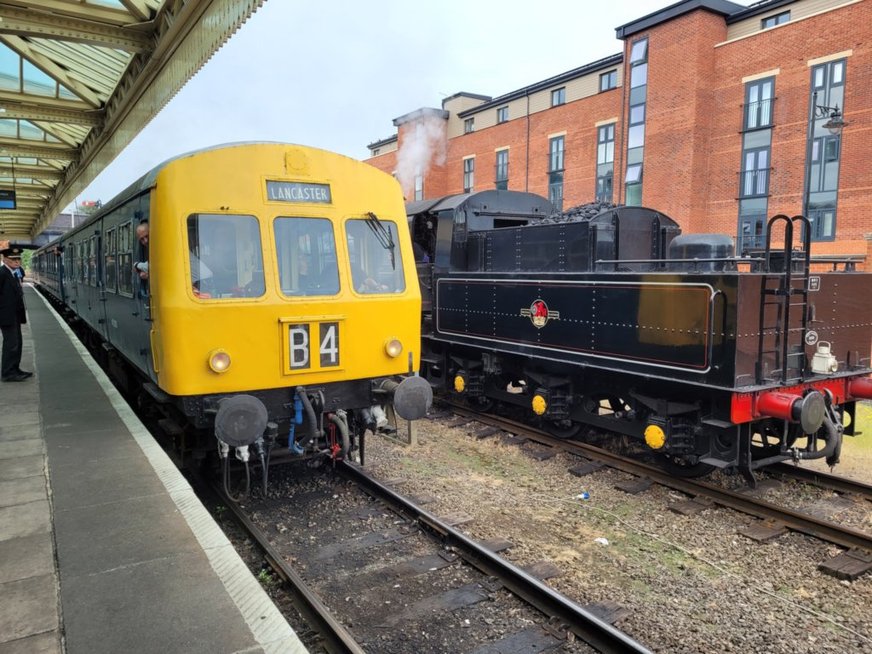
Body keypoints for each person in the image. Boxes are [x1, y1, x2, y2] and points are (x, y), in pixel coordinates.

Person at [0, 246, 32, 382]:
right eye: (13, 259)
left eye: (18, 259)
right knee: (11, 344)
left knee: (17, 343)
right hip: (6, 315)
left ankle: (15, 368)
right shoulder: (2, 273)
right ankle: (8, 373)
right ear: (5, 259)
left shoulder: (13, 273)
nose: (17, 262)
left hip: (14, 315)